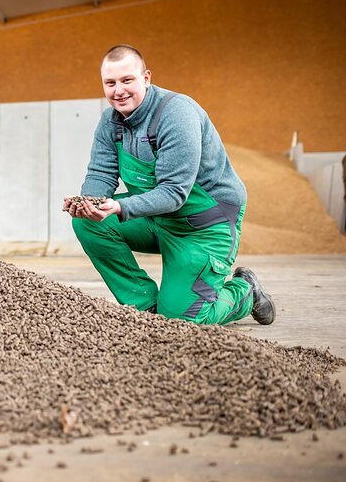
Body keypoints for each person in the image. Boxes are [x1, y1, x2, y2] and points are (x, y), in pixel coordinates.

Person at [65, 44, 275, 325]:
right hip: (156, 218)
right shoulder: (109, 122)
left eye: (127, 80)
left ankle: (244, 292)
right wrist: (89, 203)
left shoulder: (177, 113)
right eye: (110, 83)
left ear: (146, 78)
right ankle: (147, 309)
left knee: (184, 320)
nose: (119, 91)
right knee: (88, 223)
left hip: (203, 225)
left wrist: (117, 205)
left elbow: (174, 192)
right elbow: (101, 173)